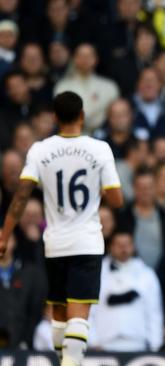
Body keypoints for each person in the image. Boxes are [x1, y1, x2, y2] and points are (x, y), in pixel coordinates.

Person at [0, 91, 124, 366]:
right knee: (78, 314)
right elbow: (116, 199)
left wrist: (5, 234)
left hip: (54, 243)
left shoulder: (40, 150)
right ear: (82, 115)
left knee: (58, 312)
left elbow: (21, 196)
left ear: (55, 117)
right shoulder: (99, 149)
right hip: (86, 242)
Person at [88, 232, 164, 352]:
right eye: (118, 244)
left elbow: (154, 311)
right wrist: (93, 342)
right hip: (103, 344)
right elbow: (90, 310)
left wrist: (155, 345)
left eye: (127, 244)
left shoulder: (147, 274)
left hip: (138, 344)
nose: (123, 248)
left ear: (133, 247)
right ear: (110, 247)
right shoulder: (96, 274)